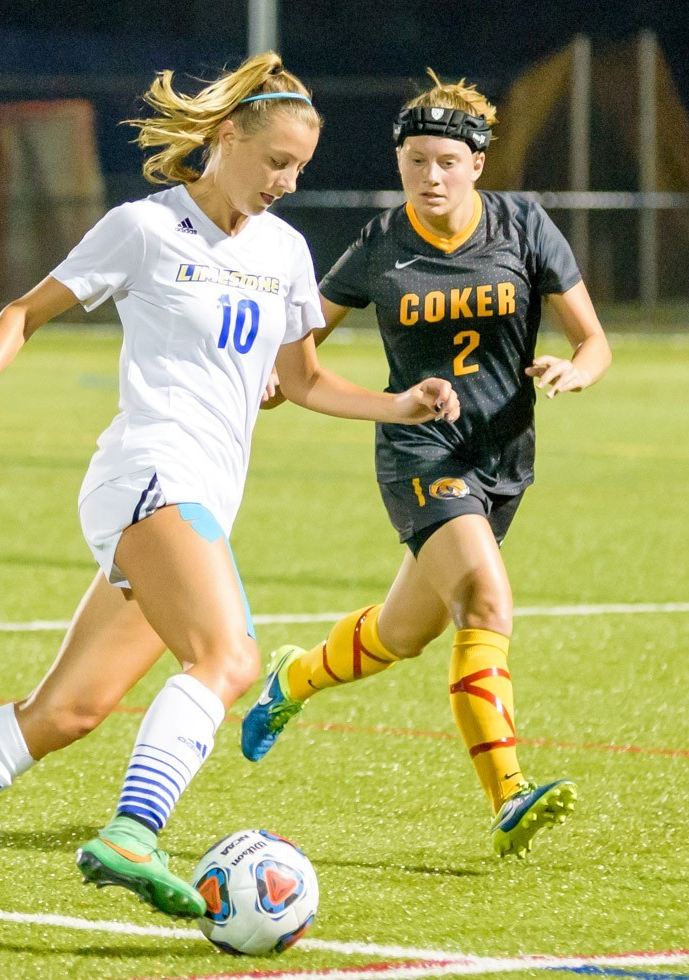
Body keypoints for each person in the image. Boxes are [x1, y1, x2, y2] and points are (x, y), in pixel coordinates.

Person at [0, 54, 460, 932]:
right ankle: (134, 829)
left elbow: (303, 381)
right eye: (276, 160)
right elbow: (22, 313)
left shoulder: (284, 252)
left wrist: (399, 402)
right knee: (231, 657)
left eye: (300, 168)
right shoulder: (147, 228)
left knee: (69, 709)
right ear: (226, 137)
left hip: (193, 499)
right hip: (148, 474)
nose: (287, 181)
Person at [241, 73, 612, 860]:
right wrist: (277, 379)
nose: (429, 177)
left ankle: (293, 680)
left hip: (503, 458)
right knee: (484, 598)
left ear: (477, 163)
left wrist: (579, 367)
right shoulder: (382, 243)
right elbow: (305, 335)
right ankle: (509, 793)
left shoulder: (524, 226)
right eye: (415, 160)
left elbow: (595, 339)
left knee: (406, 632)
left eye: (446, 161)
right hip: (418, 451)